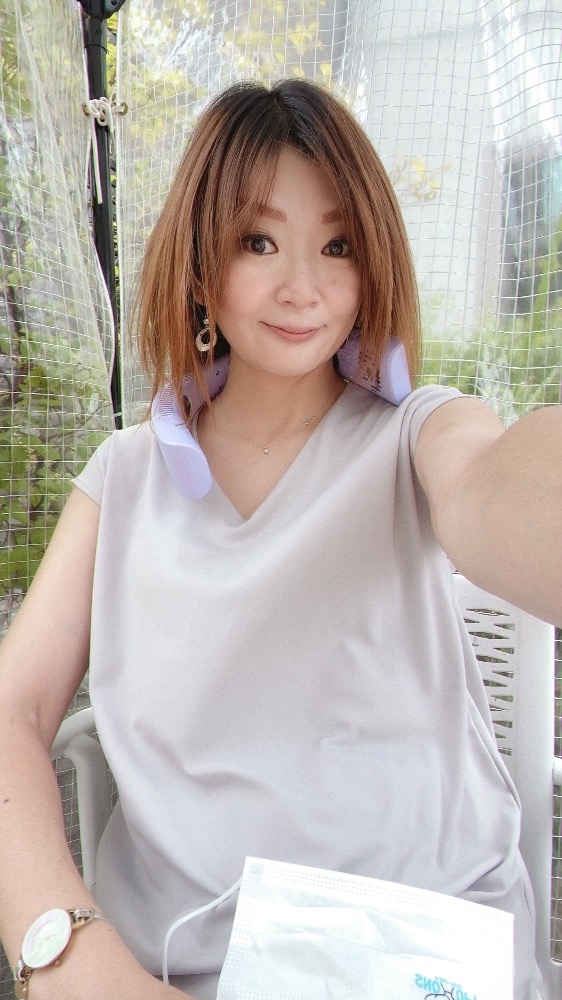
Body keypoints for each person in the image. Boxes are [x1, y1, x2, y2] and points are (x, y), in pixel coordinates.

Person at [0, 78, 560, 1000]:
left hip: (419, 954)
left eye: (338, 245)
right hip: (188, 969)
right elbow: (14, 712)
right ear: (199, 261)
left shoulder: (419, 432)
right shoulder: (125, 477)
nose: (303, 287)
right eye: (258, 241)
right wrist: (66, 955)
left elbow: (489, 491)